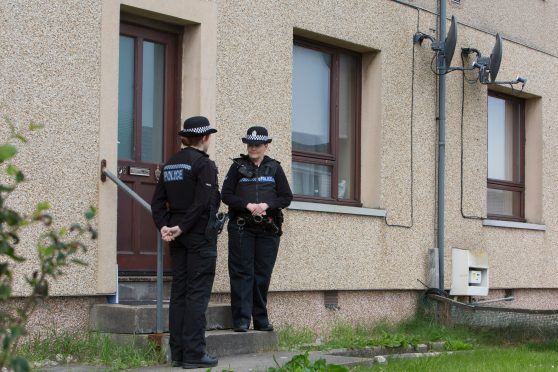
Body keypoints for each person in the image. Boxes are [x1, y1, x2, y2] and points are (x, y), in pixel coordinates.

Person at [151, 116, 220, 369]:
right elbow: (203, 203)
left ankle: (178, 352)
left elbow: (157, 202)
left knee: (179, 294)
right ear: (204, 138)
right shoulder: (204, 165)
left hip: (178, 237)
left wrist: (164, 226)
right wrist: (180, 227)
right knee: (196, 295)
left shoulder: (171, 164)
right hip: (199, 235)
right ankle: (194, 353)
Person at [222, 126, 293, 332]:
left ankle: (260, 319)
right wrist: (248, 206)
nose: (253, 148)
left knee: (262, 274)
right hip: (241, 227)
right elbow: (226, 195)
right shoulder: (237, 167)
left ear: (266, 146)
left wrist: (266, 205)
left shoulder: (275, 168)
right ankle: (242, 320)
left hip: (268, 229)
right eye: (250, 144)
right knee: (242, 274)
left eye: (257, 145)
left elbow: (286, 197)